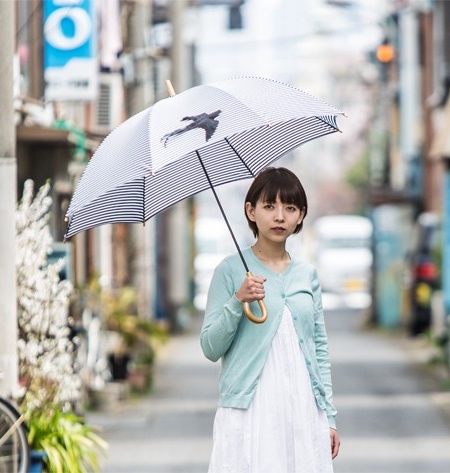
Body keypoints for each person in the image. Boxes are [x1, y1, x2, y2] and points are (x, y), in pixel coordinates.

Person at [200, 166, 340, 472]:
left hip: (303, 408)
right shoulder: (230, 270)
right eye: (269, 206)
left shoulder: (307, 275)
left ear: (301, 215)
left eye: (290, 208)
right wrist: (238, 301)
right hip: (249, 410)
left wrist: (328, 416)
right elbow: (210, 347)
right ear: (250, 211)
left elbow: (319, 350)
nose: (279, 216)